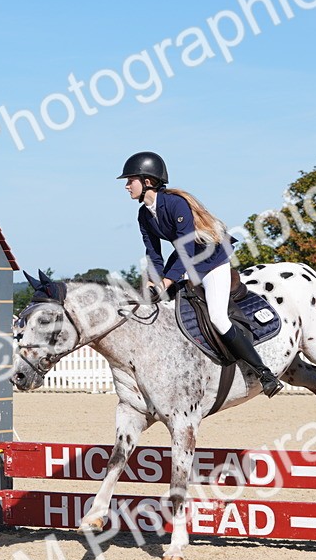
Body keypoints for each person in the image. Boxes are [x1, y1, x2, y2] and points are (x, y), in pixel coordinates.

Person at [119, 151, 282, 397]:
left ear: (148, 181)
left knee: (217, 316)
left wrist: (167, 280)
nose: (127, 186)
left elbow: (187, 247)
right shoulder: (143, 214)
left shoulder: (176, 204)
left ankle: (264, 373)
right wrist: (155, 280)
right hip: (185, 260)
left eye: (130, 180)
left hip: (210, 258)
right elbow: (153, 252)